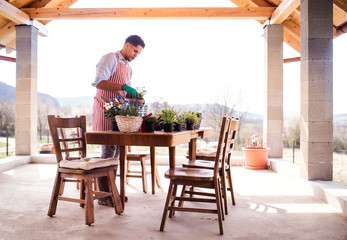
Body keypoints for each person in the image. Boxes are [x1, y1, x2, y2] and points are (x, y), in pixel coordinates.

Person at [91, 35, 145, 206]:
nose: (136, 55)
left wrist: (135, 96)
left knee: (116, 156)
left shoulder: (128, 68)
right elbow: (100, 83)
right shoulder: (110, 58)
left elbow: (124, 91)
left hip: (119, 115)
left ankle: (112, 192)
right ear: (127, 45)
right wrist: (123, 87)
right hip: (105, 110)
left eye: (139, 53)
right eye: (135, 51)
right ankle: (103, 196)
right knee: (107, 154)